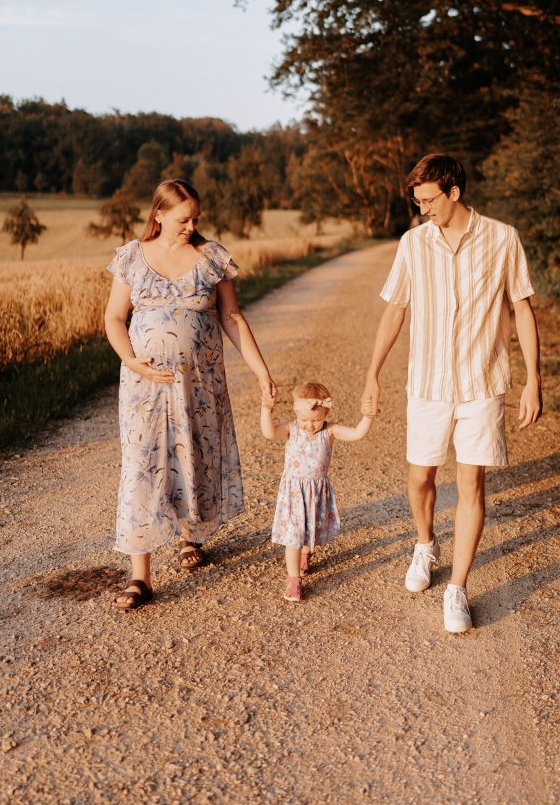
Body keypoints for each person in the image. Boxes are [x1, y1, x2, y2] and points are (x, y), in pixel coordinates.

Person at [362, 153, 542, 633]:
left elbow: (522, 309)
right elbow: (395, 311)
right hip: (428, 384)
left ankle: (458, 588)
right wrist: (373, 375)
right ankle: (425, 543)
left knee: (471, 485)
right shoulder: (413, 244)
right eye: (417, 201)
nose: (423, 209)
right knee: (421, 477)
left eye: (428, 200)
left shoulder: (503, 239)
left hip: (483, 383)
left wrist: (534, 379)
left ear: (453, 193)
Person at [104, 178, 276, 611]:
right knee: (142, 467)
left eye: (196, 218)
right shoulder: (132, 257)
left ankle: (190, 537)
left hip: (200, 384)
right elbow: (113, 318)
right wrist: (131, 359)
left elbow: (232, 317)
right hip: (144, 388)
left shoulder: (210, 257)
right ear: (158, 214)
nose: (191, 225)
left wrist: (260, 371)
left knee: (193, 457)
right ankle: (140, 576)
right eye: (183, 219)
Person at [262, 381, 374, 602]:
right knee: (293, 536)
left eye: (315, 420)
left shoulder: (330, 431)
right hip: (293, 492)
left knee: (309, 529)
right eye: (304, 419)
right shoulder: (291, 428)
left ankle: (306, 553)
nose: (309, 425)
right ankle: (293, 580)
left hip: (315, 491)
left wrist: (368, 416)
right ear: (296, 413)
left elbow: (357, 434)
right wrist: (267, 409)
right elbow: (268, 433)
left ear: (326, 411)